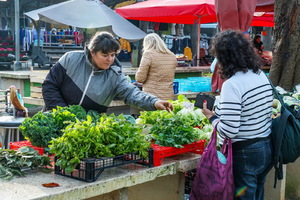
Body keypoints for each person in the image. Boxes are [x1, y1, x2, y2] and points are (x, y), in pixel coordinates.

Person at [202, 30, 273, 200]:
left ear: (224, 58)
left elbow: (229, 130)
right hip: (266, 146)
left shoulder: (232, 85)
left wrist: (211, 117)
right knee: (257, 195)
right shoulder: (259, 74)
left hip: (245, 153)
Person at [42, 31, 173, 113]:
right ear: (93, 52)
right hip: (55, 119)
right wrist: (62, 113)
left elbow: (132, 93)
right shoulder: (71, 58)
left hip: (87, 128)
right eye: (105, 55)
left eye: (113, 55)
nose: (110, 59)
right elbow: (49, 85)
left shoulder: (114, 75)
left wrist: (154, 102)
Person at [135, 33, 178, 100]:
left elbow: (140, 79)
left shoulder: (148, 54)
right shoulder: (172, 55)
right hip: (168, 95)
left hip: (151, 97)